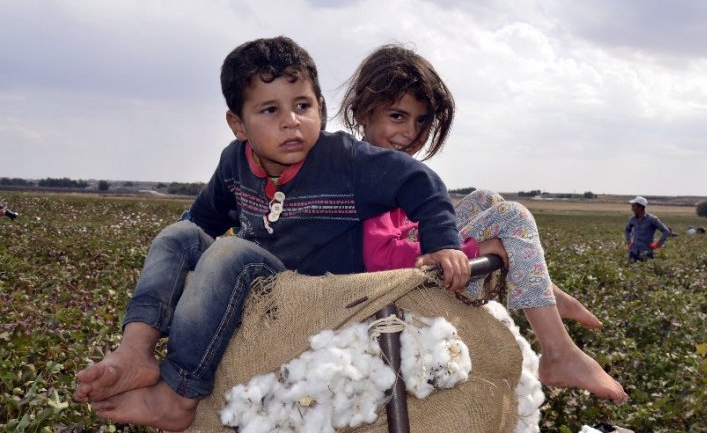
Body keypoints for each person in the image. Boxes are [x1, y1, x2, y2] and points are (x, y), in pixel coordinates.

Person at [74, 36, 470, 431]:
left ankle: (178, 395)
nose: (291, 121)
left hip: (310, 294)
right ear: (238, 124)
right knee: (178, 235)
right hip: (250, 284)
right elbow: (203, 219)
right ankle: (135, 352)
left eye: (302, 106)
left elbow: (422, 183)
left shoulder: (346, 161)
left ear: (321, 107)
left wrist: (442, 245)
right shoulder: (234, 163)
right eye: (269, 109)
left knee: (229, 251)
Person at [339, 44, 627, 403]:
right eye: (397, 117)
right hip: (397, 285)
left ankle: (541, 289)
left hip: (411, 266)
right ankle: (557, 352)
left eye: (421, 121)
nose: (411, 133)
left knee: (485, 200)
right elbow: (380, 256)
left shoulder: (387, 166)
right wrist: (471, 251)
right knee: (514, 216)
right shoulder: (361, 173)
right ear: (362, 113)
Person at [624, 196, 671, 262]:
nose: (632, 209)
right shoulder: (632, 219)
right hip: (634, 252)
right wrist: (629, 242)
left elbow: (666, 231)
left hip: (646, 253)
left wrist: (658, 244)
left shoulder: (652, 219)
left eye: (634, 206)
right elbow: (627, 230)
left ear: (640, 207)